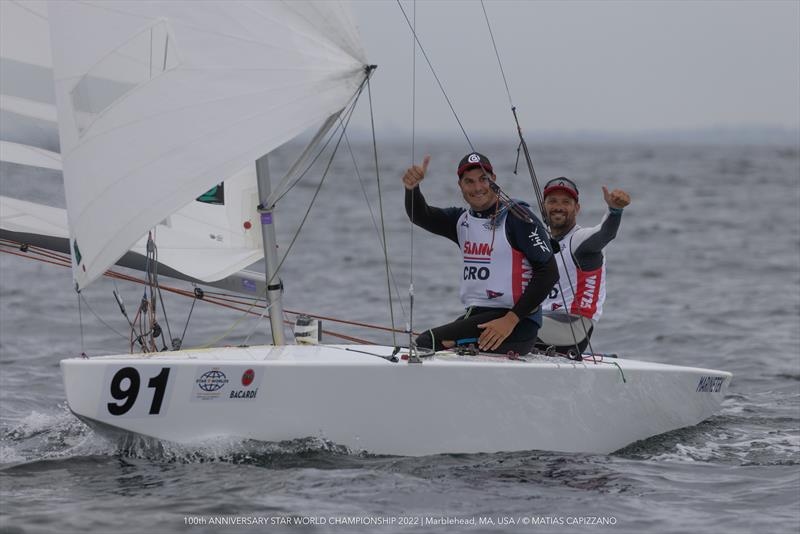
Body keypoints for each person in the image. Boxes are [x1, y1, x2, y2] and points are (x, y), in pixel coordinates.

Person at [402, 152, 559, 355]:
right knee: (433, 344)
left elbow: (549, 272)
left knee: (426, 342)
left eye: (483, 179)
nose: (477, 188)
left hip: (516, 325)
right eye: (469, 182)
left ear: (493, 180)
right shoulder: (461, 221)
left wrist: (510, 320)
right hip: (477, 317)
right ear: (460, 186)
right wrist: (412, 188)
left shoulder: (518, 218)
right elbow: (420, 214)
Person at [535, 176, 631, 355]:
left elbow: (605, 234)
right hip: (543, 321)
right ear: (543, 207)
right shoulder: (540, 242)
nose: (558, 206)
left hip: (573, 328)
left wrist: (615, 211)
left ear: (576, 208)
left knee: (513, 325)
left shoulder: (580, 241)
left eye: (566, 202)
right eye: (552, 201)